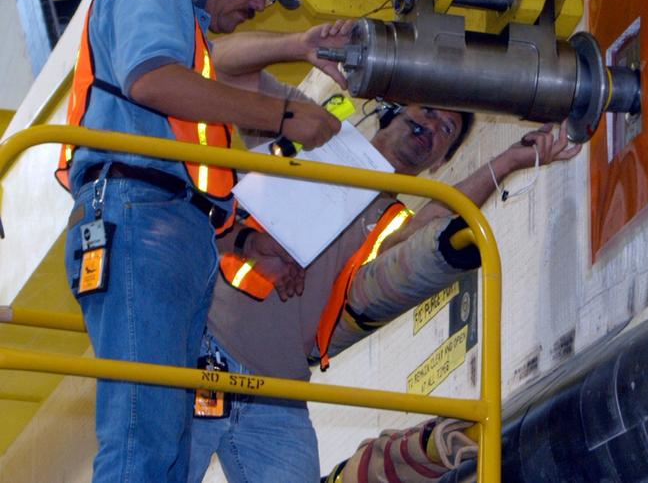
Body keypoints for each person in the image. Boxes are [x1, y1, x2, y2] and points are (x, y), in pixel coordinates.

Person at [186, 26, 580, 483]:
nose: (432, 126)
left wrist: (510, 161)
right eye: (428, 110)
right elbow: (224, 62)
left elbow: (430, 226)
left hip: (278, 393)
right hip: (201, 350)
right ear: (392, 110)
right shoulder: (314, 133)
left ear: (439, 163)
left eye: (446, 130)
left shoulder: (391, 221)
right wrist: (298, 45)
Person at [57, 0, 343, 483]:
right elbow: (152, 81)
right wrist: (284, 115)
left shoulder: (194, 39)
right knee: (143, 436)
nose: (258, 3)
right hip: (138, 221)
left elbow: (180, 159)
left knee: (161, 441)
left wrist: (242, 238)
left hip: (166, 229)